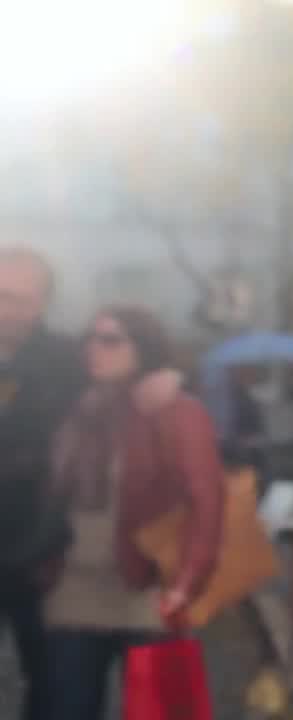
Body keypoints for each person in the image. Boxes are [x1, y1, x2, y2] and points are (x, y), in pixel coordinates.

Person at [42, 305, 225, 720]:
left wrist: (187, 582)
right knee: (67, 708)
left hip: (149, 591)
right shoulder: (78, 408)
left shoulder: (176, 411)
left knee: (155, 711)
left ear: (143, 348)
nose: (95, 349)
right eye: (90, 339)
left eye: (111, 340)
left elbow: (206, 500)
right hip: (73, 589)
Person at [0, 246, 84, 720]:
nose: (9, 310)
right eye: (2, 295)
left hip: (42, 550)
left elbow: (130, 381)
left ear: (44, 303)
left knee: (50, 682)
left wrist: (167, 378)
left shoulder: (69, 361)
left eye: (23, 299)